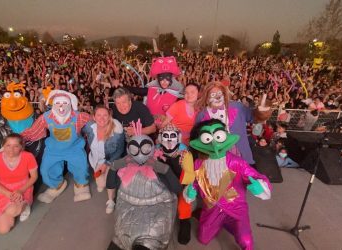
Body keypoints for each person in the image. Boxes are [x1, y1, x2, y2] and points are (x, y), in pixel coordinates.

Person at [184, 119, 272, 249]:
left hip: (236, 207)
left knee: (246, 242)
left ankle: (233, 225)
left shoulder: (237, 162)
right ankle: (220, 222)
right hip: (212, 208)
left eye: (218, 137)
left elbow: (255, 177)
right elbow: (195, 183)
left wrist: (260, 186)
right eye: (207, 138)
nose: (214, 144)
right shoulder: (198, 163)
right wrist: (190, 191)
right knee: (203, 239)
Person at [106, 120, 181, 250]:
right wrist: (114, 167)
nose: (140, 153)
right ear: (129, 149)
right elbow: (111, 185)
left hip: (156, 208)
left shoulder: (158, 165)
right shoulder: (124, 168)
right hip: (127, 207)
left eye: (145, 148)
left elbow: (177, 189)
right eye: (135, 149)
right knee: (120, 240)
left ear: (151, 147)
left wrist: (165, 170)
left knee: (147, 243)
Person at [21, 90, 91, 203]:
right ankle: (56, 185)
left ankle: (81, 185)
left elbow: (93, 125)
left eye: (65, 103)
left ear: (71, 104)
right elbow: (33, 132)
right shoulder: (46, 117)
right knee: (46, 169)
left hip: (74, 148)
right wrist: (16, 141)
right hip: (54, 149)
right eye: (58, 103)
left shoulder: (79, 116)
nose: (61, 106)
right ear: (53, 104)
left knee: (81, 167)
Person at [0, 133, 38, 234]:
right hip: (3, 189)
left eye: (16, 146)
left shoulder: (28, 156)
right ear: (3, 146)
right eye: (8, 145)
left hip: (23, 187)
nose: (11, 149)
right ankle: (12, 209)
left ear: (21, 147)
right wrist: (8, 194)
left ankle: (24, 206)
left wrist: (20, 191)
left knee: (12, 210)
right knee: (3, 230)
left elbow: (34, 177)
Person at [195, 81, 255, 164]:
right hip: (216, 156)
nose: (218, 97)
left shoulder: (238, 107)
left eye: (220, 93)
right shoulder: (202, 115)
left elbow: (253, 118)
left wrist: (262, 112)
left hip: (240, 154)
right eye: (213, 95)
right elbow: (199, 138)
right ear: (207, 98)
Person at [82, 105, 125, 214]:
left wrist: (107, 164)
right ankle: (103, 181)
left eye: (105, 115)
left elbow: (119, 150)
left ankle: (111, 201)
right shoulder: (89, 126)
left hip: (111, 159)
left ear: (110, 117)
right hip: (95, 160)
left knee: (110, 180)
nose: (102, 118)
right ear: (94, 117)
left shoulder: (117, 131)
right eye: (99, 115)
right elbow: (76, 125)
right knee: (101, 185)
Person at [125, 56, 183, 127]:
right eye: (161, 78)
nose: (164, 81)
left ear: (171, 79)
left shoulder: (177, 96)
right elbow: (136, 90)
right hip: (149, 125)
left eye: (167, 78)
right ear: (158, 79)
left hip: (166, 129)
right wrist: (121, 85)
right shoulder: (151, 90)